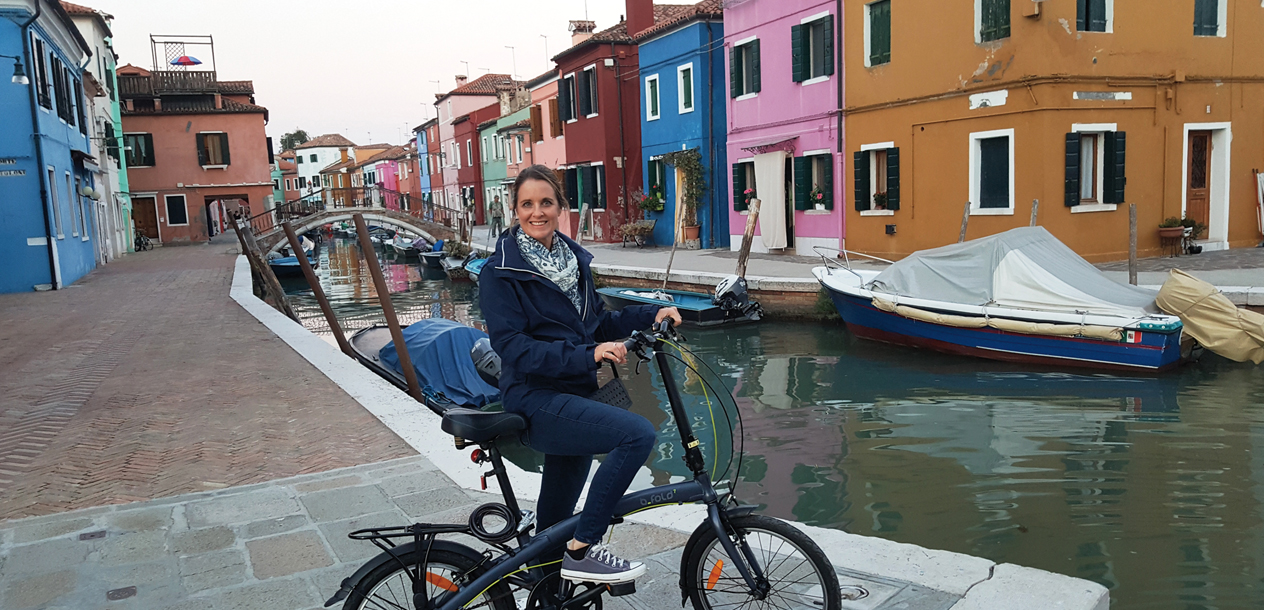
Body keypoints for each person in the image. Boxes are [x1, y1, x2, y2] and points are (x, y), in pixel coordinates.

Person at [480, 164, 681, 584]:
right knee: (636, 434)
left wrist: (651, 312)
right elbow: (513, 347)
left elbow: (598, 325)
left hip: (577, 393)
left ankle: (546, 584)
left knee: (551, 524)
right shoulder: (499, 272)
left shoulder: (573, 261)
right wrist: (588, 356)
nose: (538, 212)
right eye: (527, 204)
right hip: (535, 397)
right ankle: (583, 548)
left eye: (546, 202)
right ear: (514, 210)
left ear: (561, 207)